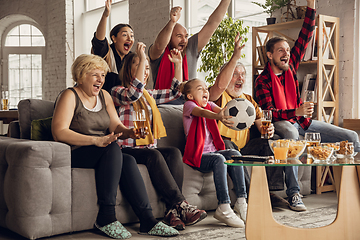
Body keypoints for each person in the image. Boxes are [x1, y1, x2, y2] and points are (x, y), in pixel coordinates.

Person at [52, 54, 179, 238]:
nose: (100, 80)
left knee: (126, 160)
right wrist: (95, 141)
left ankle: (147, 220)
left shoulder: (104, 96)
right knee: (113, 148)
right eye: (95, 74)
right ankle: (106, 216)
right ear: (81, 75)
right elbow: (59, 132)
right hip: (76, 151)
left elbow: (115, 125)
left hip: (102, 150)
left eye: (102, 75)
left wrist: (129, 132)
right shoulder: (69, 95)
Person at [111, 42, 207, 231]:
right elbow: (133, 94)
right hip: (126, 149)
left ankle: (173, 210)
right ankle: (181, 204)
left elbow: (174, 92)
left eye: (147, 68)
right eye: (140, 67)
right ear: (129, 70)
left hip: (146, 148)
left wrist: (178, 65)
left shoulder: (149, 95)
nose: (145, 72)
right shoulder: (118, 92)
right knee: (154, 155)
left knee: (172, 153)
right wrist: (142, 55)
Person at [208, 34, 305, 211]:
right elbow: (219, 85)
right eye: (235, 74)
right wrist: (236, 56)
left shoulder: (248, 101)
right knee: (229, 145)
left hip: (244, 147)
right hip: (222, 146)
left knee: (271, 143)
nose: (240, 78)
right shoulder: (216, 96)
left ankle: (270, 191)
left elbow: (261, 120)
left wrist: (265, 130)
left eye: (243, 74)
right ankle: (252, 195)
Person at [255, 0, 360, 153]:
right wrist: (296, 112)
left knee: (351, 137)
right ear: (270, 55)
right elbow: (269, 113)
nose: (286, 53)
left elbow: (305, 36)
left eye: (287, 50)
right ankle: (293, 178)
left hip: (302, 121)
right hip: (282, 122)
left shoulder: (290, 66)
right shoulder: (262, 81)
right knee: (292, 133)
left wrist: (311, 4)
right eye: (281, 51)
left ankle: (354, 176)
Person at [181, 79, 248, 228]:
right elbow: (202, 112)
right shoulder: (189, 106)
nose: (205, 91)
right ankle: (223, 206)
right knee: (219, 159)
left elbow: (224, 110)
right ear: (190, 96)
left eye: (206, 88)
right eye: (200, 89)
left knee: (234, 154)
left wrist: (235, 115)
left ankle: (241, 201)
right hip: (197, 156)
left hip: (213, 153)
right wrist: (217, 116)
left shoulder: (210, 105)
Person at [148, 0, 231, 91]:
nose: (184, 40)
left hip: (189, 103)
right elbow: (158, 46)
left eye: (186, 36)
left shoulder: (190, 48)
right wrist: (172, 22)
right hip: (162, 103)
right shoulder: (160, 53)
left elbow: (212, 23)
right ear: (169, 38)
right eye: (179, 36)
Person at [91, 0, 134, 93]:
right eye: (124, 35)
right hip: (103, 96)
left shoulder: (131, 58)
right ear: (114, 38)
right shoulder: (106, 52)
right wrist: (105, 15)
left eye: (131, 36)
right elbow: (99, 40)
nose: (129, 39)